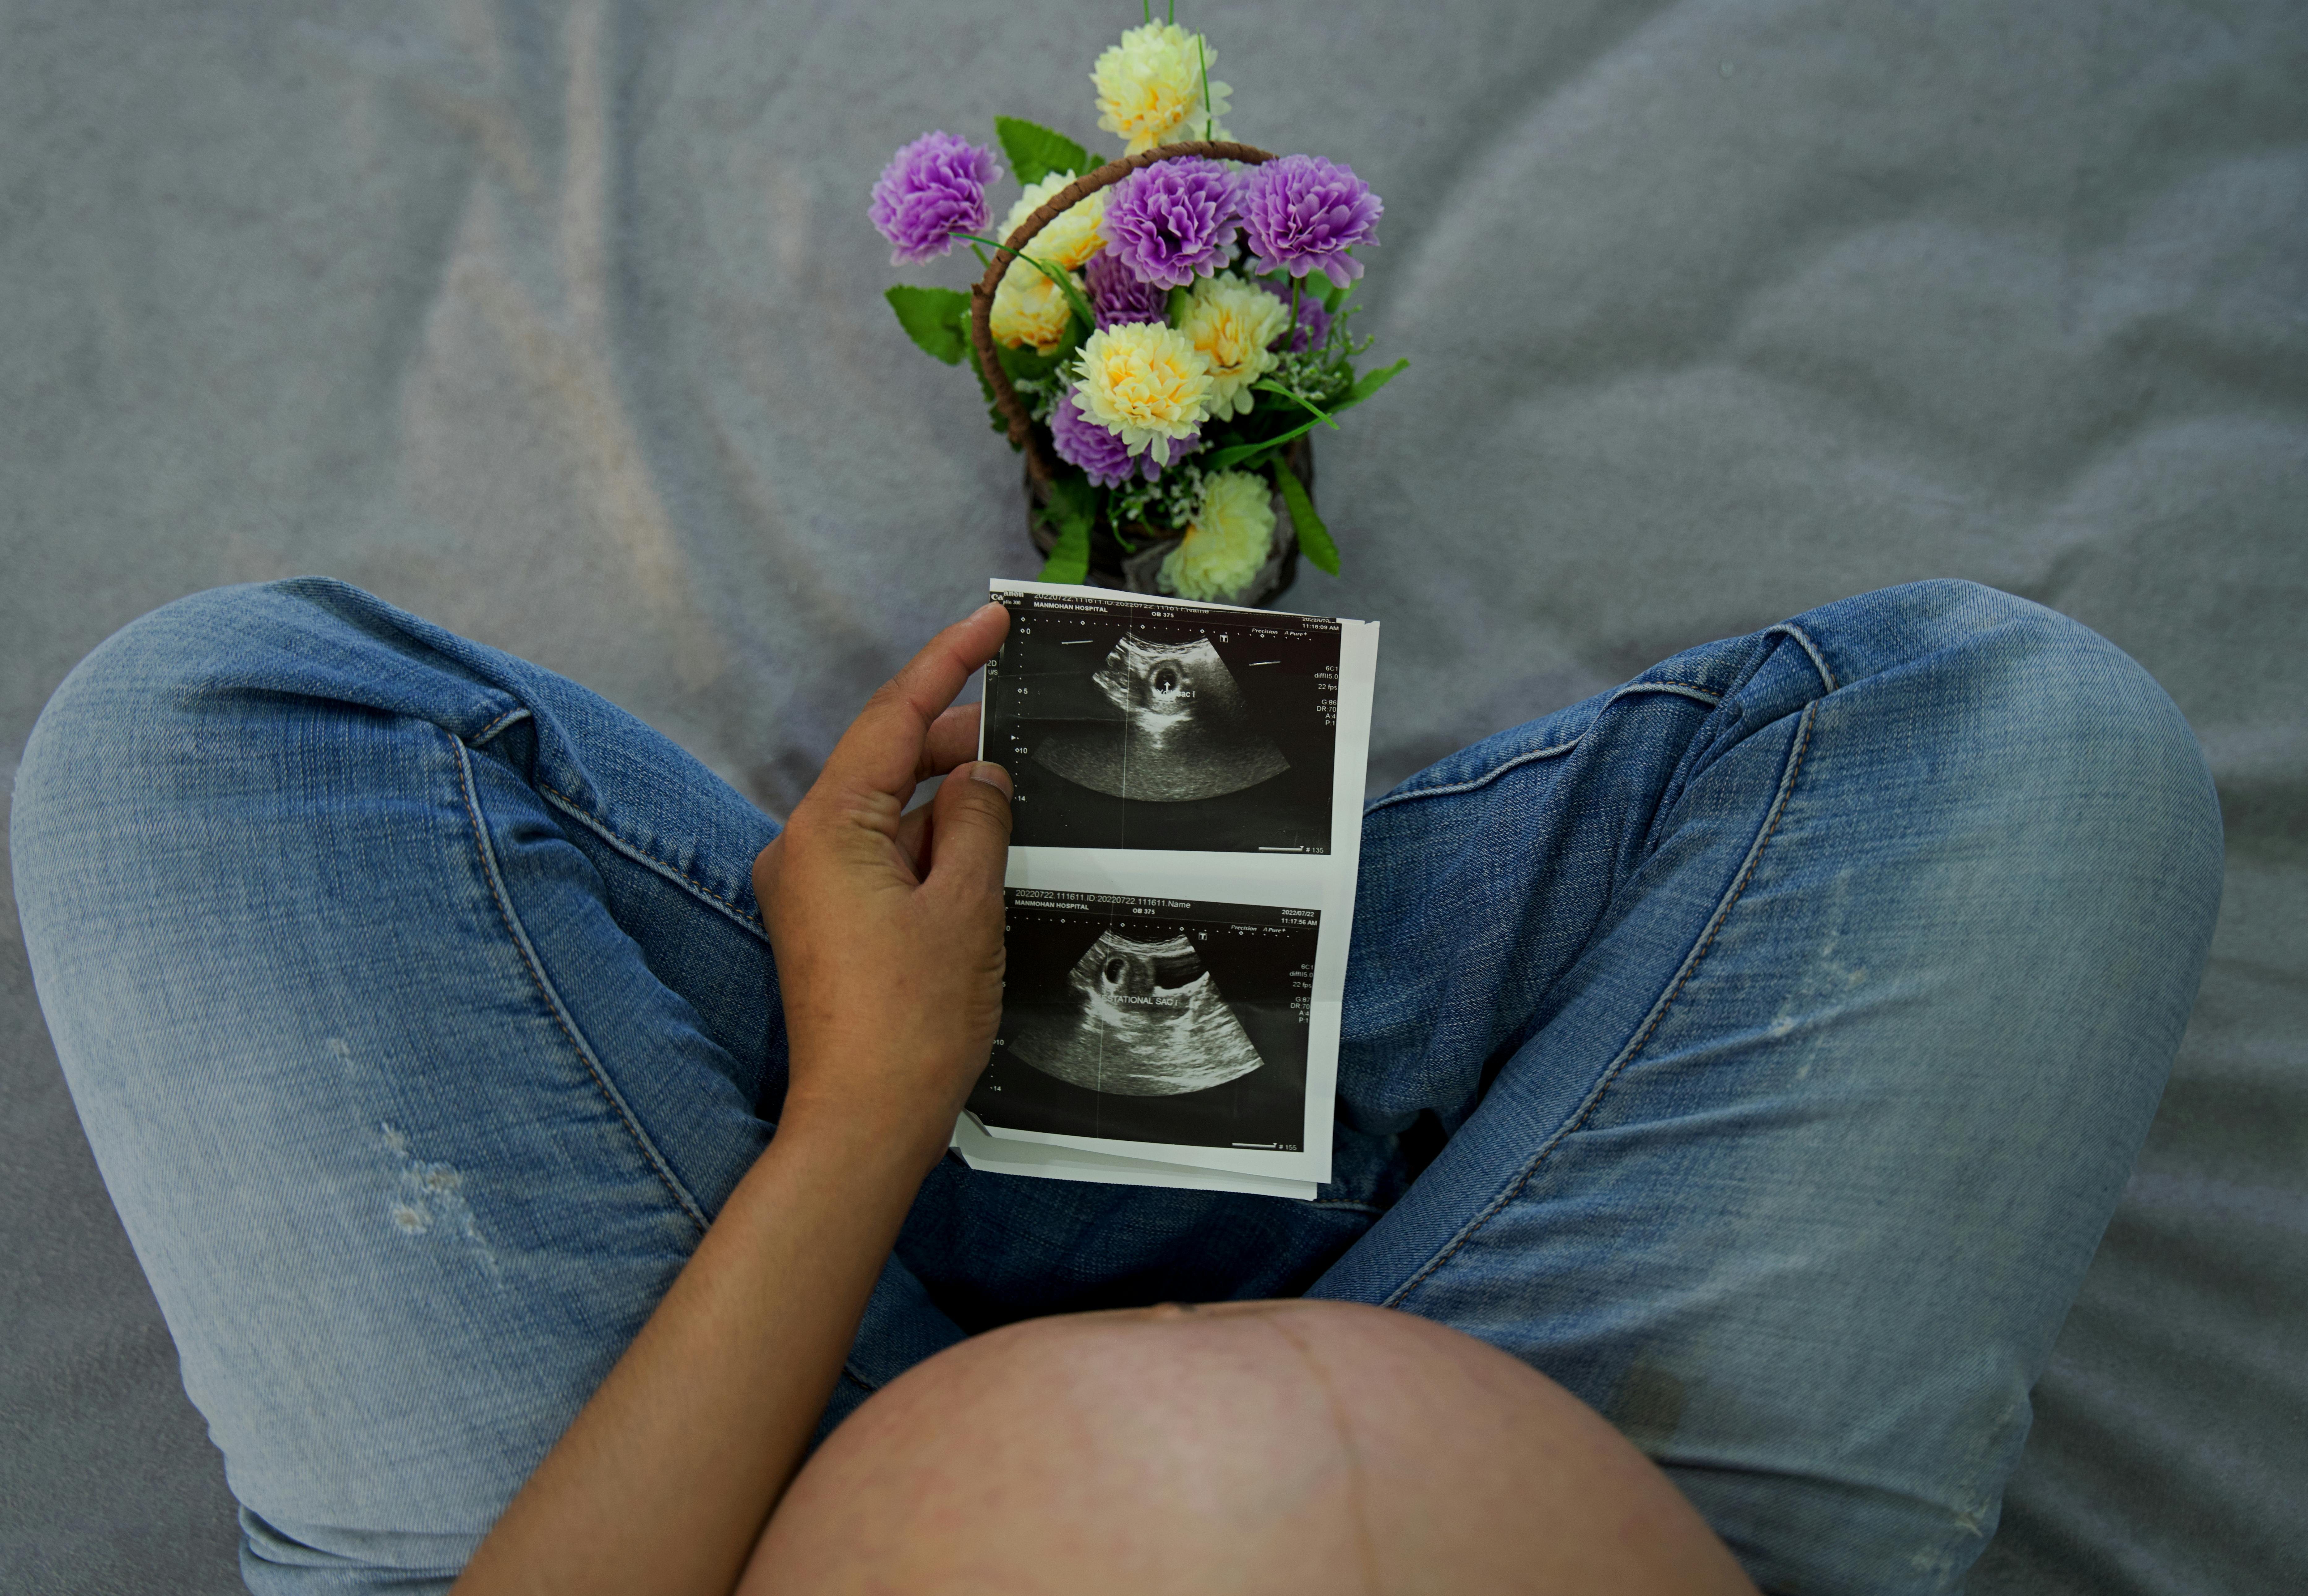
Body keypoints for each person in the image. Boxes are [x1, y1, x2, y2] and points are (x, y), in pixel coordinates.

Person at [11, 575, 2220, 1595]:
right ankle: (1270, 1084)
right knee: (2021, 727)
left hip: (676, 1510)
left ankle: (988, 1086)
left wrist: (863, 1109)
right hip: (1630, 1477)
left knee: (210, 733)